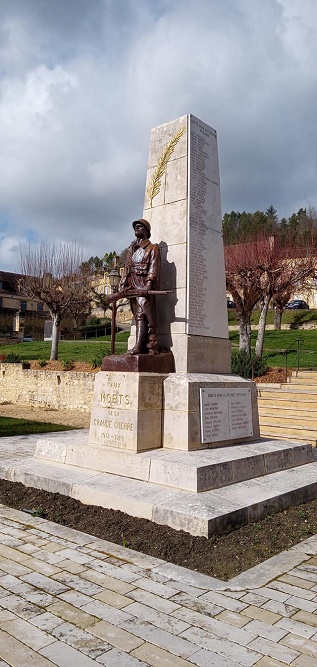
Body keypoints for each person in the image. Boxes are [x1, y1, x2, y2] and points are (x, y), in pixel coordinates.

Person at [119, 219, 160, 354]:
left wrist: (149, 284)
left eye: (140, 226)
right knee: (137, 316)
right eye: (135, 227)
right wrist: (123, 283)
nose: (136, 228)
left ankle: (139, 346)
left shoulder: (153, 248)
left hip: (143, 286)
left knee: (142, 315)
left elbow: (154, 267)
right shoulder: (131, 249)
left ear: (147, 231)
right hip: (132, 286)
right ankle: (140, 345)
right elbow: (127, 268)